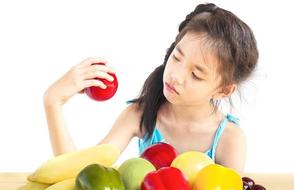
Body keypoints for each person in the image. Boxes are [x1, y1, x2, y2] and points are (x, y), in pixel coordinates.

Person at [43, 3, 258, 173]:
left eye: (195, 74)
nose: (176, 75)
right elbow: (78, 175)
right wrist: (53, 102)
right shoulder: (140, 115)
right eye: (176, 57)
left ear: (223, 90)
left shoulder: (229, 140)